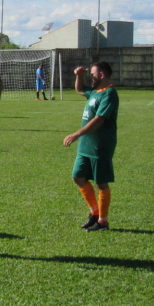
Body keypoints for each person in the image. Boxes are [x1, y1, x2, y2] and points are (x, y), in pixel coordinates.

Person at [63, 61, 119, 232]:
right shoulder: (95, 92)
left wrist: (77, 134)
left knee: (101, 183)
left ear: (101, 75)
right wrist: (78, 75)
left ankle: (103, 222)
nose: (90, 77)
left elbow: (99, 120)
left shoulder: (109, 94)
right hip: (86, 145)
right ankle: (94, 213)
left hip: (100, 146)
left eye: (92, 74)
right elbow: (80, 89)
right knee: (78, 177)